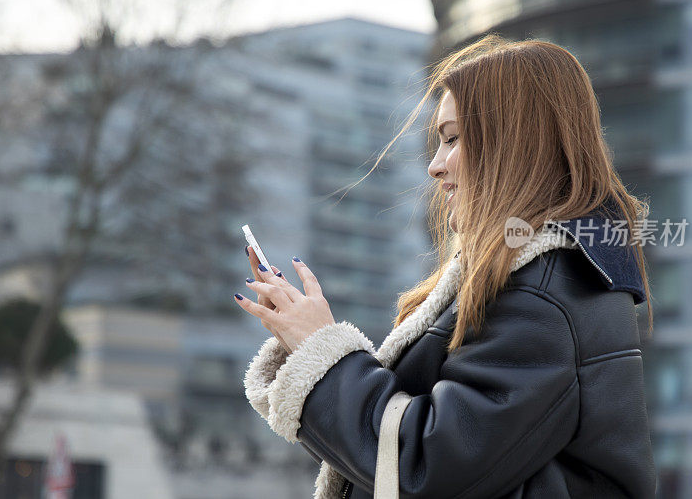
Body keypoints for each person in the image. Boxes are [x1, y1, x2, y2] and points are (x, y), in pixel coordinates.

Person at [238, 33, 656, 498]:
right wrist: (306, 351)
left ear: (513, 143)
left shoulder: (540, 292)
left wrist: (321, 349)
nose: (435, 167)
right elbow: (391, 459)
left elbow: (423, 468)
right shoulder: (544, 280)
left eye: (453, 139)